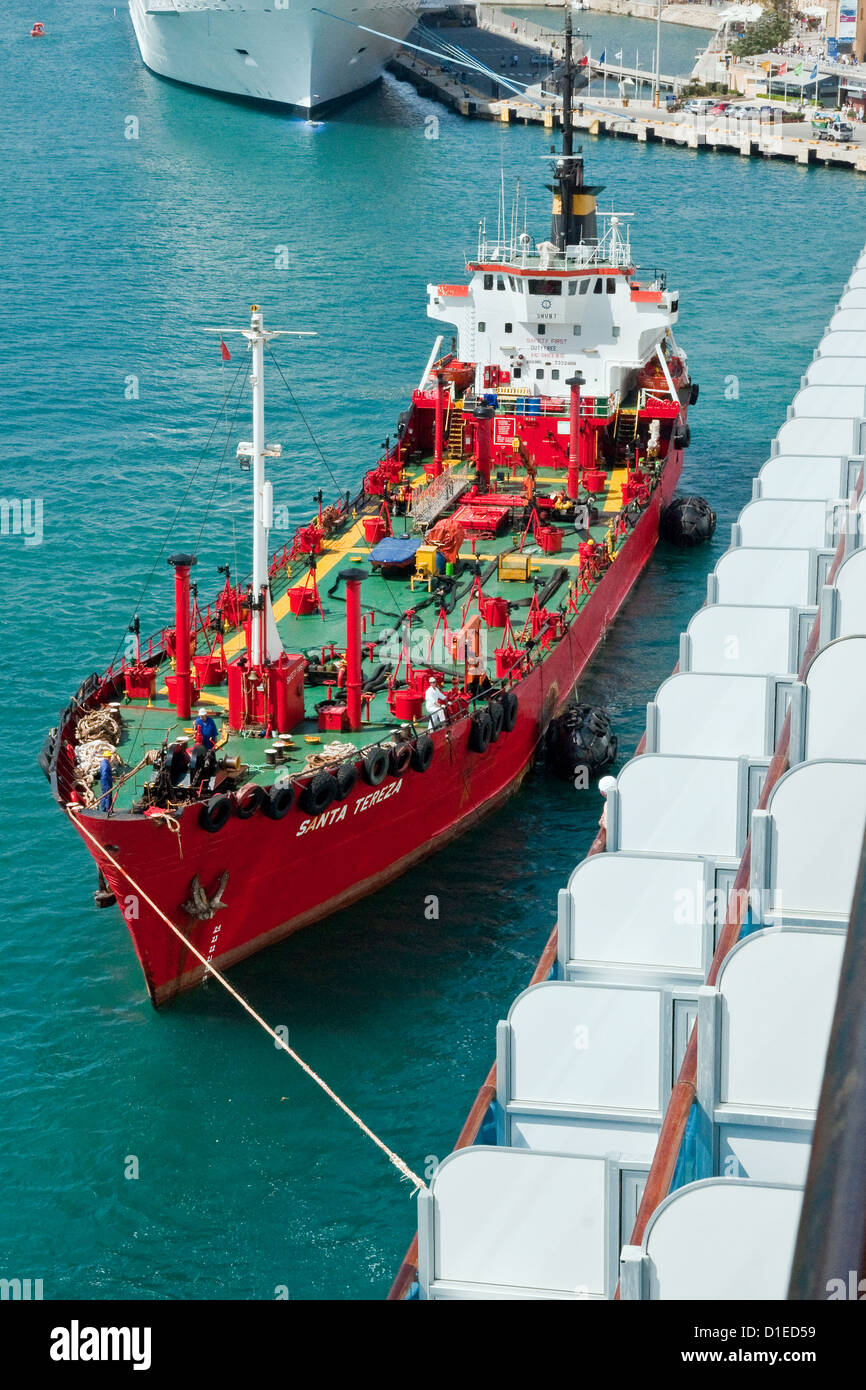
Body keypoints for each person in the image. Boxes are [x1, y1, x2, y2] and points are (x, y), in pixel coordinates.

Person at [98, 748, 115, 812]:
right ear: (107, 757)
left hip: (104, 781)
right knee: (107, 796)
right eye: (109, 757)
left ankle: (104, 809)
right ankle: (108, 810)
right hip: (106, 782)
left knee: (104, 795)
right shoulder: (105, 764)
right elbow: (105, 774)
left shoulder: (103, 762)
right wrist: (111, 779)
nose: (110, 758)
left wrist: (112, 778)